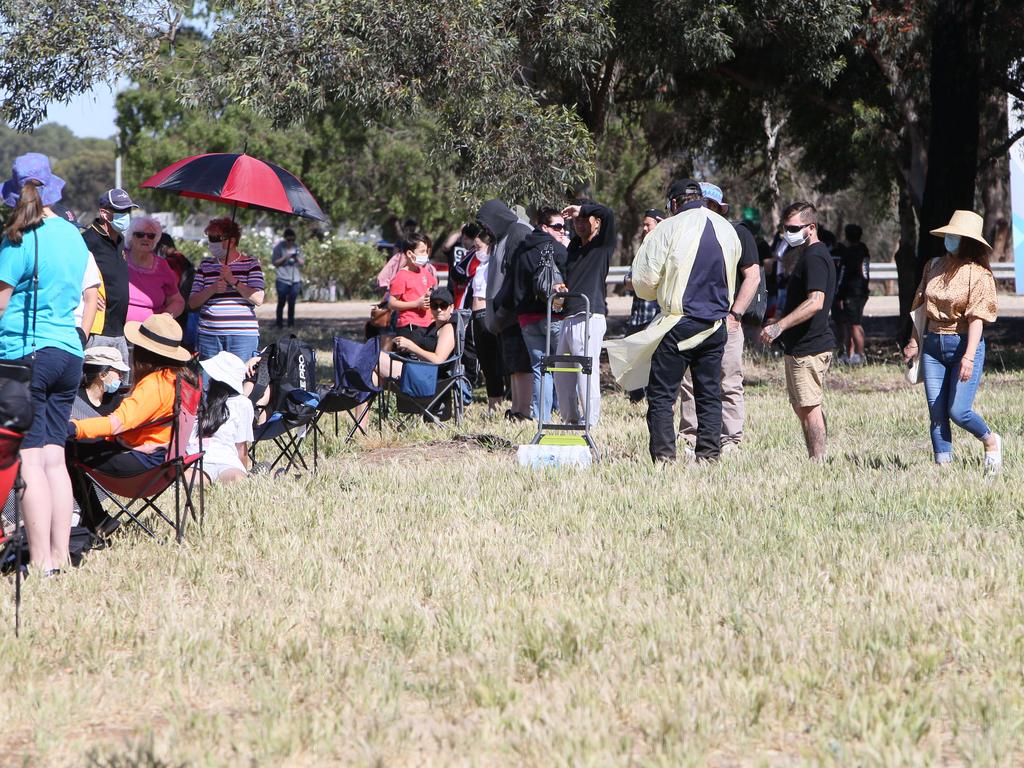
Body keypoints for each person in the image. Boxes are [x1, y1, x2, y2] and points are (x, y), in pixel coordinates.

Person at [606, 179, 741, 463]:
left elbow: (644, 282)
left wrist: (652, 288)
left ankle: (665, 458)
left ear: (675, 203)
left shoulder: (668, 227)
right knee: (709, 395)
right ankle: (708, 456)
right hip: (716, 326)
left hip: (678, 325)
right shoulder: (727, 229)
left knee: (662, 397)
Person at [0, 154, 89, 575]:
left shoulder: (18, 238)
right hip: (68, 354)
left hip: (25, 355)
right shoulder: (73, 236)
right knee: (55, 458)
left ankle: (39, 563)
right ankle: (59, 556)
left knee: (30, 460)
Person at [68, 313, 195, 535]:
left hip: (144, 468)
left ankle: (95, 519)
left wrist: (74, 428)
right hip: (168, 462)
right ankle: (96, 519)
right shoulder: (183, 379)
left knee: (68, 449)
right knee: (88, 443)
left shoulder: (154, 384)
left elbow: (116, 424)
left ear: (144, 352)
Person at [902, 210, 1001, 471]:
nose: (950, 239)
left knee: (958, 411)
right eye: (950, 234)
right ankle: (942, 467)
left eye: (957, 236)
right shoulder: (932, 266)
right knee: (936, 412)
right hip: (933, 344)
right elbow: (920, 307)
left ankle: (990, 441)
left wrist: (968, 356)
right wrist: (914, 341)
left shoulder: (979, 275)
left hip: (963, 343)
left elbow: (977, 319)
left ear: (969, 241)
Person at [678, 183, 762, 453]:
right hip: (691, 318)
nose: (702, 210)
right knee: (689, 381)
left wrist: (735, 314)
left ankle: (730, 440)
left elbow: (753, 275)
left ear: (717, 207)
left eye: (707, 205)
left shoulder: (737, 233)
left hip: (726, 320)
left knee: (728, 379)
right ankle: (690, 436)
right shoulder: (683, 232)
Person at [760, 201, 836, 461]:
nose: (788, 233)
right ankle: (815, 457)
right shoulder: (808, 256)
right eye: (785, 228)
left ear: (811, 227)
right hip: (799, 347)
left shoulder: (815, 257)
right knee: (802, 407)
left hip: (810, 347)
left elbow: (815, 302)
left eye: (793, 228)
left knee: (810, 407)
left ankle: (818, 461)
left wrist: (780, 326)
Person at [555, 199, 615, 426]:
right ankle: (570, 419)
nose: (579, 224)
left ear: (596, 222)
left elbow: (609, 213)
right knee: (561, 373)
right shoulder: (572, 248)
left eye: (584, 219)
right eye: (576, 221)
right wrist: (561, 292)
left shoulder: (603, 245)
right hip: (569, 314)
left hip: (590, 315)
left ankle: (590, 423)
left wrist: (582, 209)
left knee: (585, 373)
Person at [509, 207, 569, 423]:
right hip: (554, 316)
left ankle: (542, 418)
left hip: (527, 319)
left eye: (564, 226)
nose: (563, 230)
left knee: (539, 369)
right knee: (563, 368)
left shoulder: (521, 249)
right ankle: (567, 415)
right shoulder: (558, 250)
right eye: (558, 226)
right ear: (545, 227)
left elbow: (513, 283)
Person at [479, 199, 533, 421]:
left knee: (522, 364)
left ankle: (523, 411)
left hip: (515, 312)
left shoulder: (518, 233)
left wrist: (503, 309)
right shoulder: (503, 236)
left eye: (486, 225)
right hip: (506, 314)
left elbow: (517, 276)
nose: (486, 231)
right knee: (514, 366)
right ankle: (516, 409)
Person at [189, 217, 265, 364]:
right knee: (208, 385)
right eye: (210, 238)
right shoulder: (206, 265)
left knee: (240, 382)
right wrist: (212, 289)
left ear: (232, 240)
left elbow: (258, 298)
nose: (212, 243)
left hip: (242, 337)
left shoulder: (251, 264)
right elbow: (192, 303)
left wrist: (233, 280)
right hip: (209, 336)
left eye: (215, 238)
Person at [451, 223, 504, 414]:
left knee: (494, 360)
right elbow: (458, 272)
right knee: (486, 361)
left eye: (478, 247)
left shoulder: (495, 264)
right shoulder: (478, 264)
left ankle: (502, 403)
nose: (476, 251)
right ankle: (493, 403)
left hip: (487, 315)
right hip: (476, 315)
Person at [81, 188, 137, 365]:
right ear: (105, 213)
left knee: (120, 389)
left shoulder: (120, 240)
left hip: (119, 332)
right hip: (98, 331)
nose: (126, 215)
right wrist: (85, 293)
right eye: (121, 211)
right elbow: (70, 273)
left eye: (128, 211)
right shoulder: (87, 240)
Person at [187, 351, 254, 484]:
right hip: (208, 461)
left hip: (212, 461)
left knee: (237, 479)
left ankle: (248, 478)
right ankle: (251, 478)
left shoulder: (241, 403)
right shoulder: (200, 401)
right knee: (237, 480)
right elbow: (241, 448)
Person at [622, 210, 664, 403]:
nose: (644, 229)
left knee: (654, 363)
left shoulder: (666, 247)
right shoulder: (642, 248)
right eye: (644, 225)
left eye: (648, 224)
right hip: (637, 317)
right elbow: (628, 281)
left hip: (655, 317)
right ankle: (635, 399)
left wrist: (640, 282)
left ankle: (653, 401)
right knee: (632, 362)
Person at [378, 287, 457, 382]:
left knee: (376, 358)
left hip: (430, 378)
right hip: (419, 369)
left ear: (451, 307)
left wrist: (411, 346)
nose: (439, 309)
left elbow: (438, 360)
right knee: (376, 365)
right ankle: (362, 395)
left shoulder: (448, 328)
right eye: (434, 306)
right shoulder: (433, 326)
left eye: (443, 306)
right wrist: (406, 347)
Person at [126, 216, 185, 324]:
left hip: (151, 332)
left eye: (151, 236)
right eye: (140, 234)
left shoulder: (162, 265)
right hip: (118, 332)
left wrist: (166, 316)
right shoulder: (119, 258)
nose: (145, 238)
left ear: (155, 240)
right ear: (131, 236)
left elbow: (178, 301)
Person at [388, 233, 438, 345]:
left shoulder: (425, 272)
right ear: (410, 253)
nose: (425, 255)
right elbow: (392, 303)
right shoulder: (401, 276)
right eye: (422, 251)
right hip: (409, 325)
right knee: (414, 358)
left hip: (428, 324)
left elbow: (431, 291)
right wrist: (416, 303)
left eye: (426, 251)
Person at [836, 223, 870, 364]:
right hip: (862, 291)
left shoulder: (850, 253)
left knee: (854, 323)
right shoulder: (864, 250)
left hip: (852, 292)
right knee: (852, 323)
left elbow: (843, 276)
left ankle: (859, 355)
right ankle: (850, 354)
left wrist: (839, 295)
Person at [71, 346, 128, 420]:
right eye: (118, 372)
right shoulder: (75, 401)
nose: (121, 376)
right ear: (102, 375)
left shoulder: (115, 399)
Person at [272, 228, 304, 329]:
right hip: (282, 279)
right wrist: (285, 257)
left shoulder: (297, 247)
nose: (291, 242)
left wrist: (296, 258)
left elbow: (302, 262)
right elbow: (275, 262)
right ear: (285, 239)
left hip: (295, 280)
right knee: (281, 302)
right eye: (289, 240)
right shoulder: (278, 248)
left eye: (292, 240)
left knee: (292, 303)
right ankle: (279, 324)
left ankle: (291, 324)